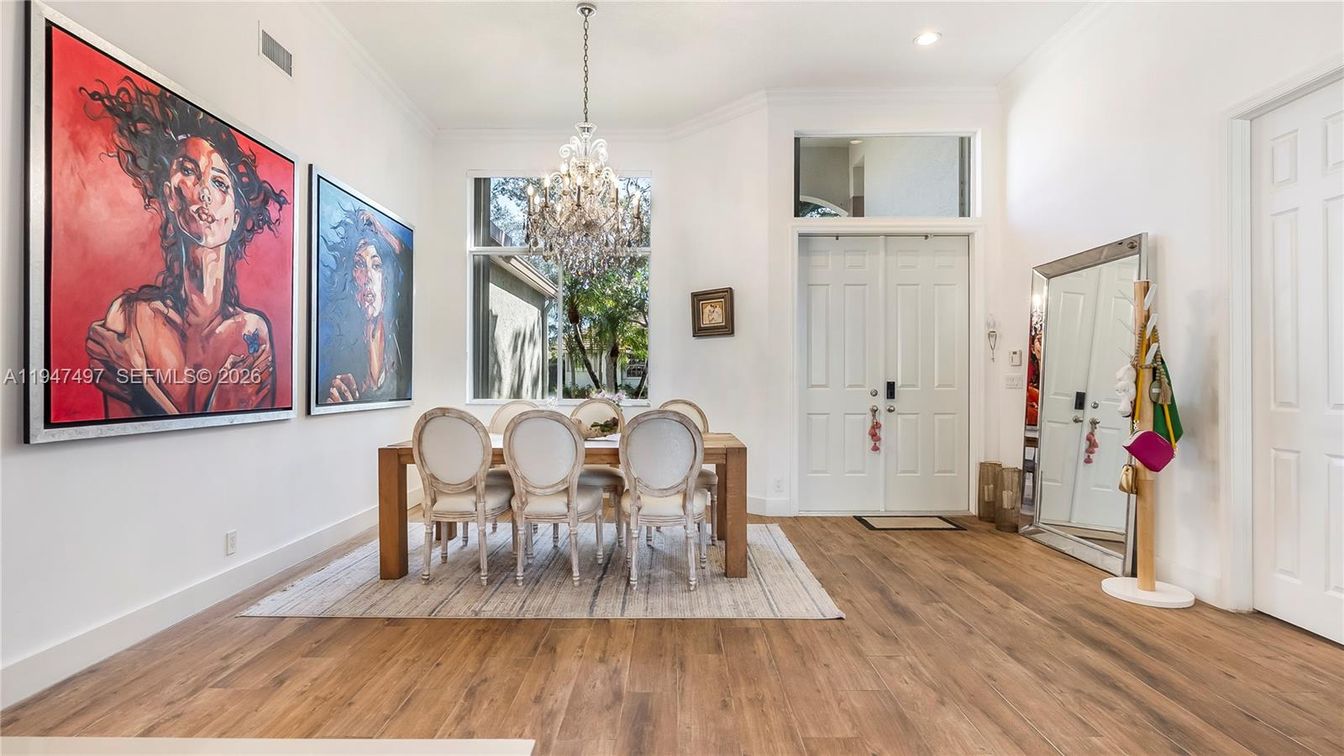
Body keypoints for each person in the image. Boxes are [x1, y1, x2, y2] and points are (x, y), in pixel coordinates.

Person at [81, 77, 288, 417]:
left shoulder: (252, 333)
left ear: (236, 218)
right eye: (189, 171)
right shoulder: (128, 317)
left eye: (219, 182)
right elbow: (121, 449)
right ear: (169, 196)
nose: (204, 191)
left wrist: (140, 385)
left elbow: (246, 449)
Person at [318, 207, 408, 403]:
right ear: (351, 279)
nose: (367, 277)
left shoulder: (402, 337)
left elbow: (407, 259)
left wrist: (379, 228)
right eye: (359, 265)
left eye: (376, 266)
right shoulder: (342, 350)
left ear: (387, 279)